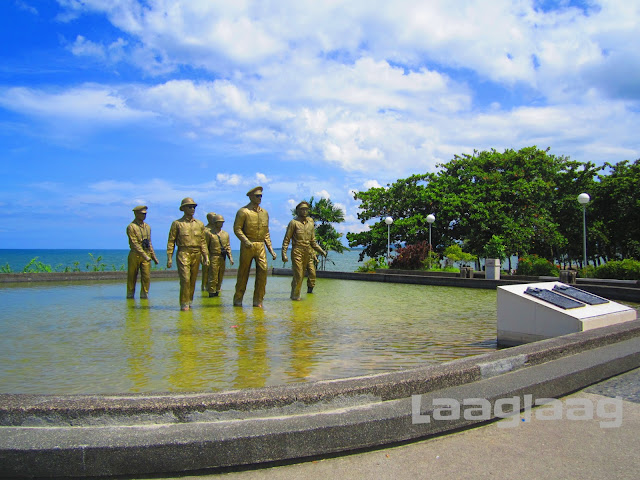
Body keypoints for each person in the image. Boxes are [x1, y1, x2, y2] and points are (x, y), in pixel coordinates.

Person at [233, 186, 277, 307]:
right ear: (251, 197)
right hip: (248, 245)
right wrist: (245, 241)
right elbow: (237, 229)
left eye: (261, 196)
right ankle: (238, 300)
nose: (260, 198)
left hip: (260, 246)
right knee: (243, 273)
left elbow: (266, 233)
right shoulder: (243, 211)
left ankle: (258, 301)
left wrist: (271, 250)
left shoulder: (265, 213)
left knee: (263, 272)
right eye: (257, 196)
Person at [167, 197, 209, 311]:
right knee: (185, 279)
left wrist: (206, 256)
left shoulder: (200, 224)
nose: (192, 209)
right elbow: (171, 241)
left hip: (196, 253)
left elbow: (203, 241)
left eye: (194, 207)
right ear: (183, 208)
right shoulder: (177, 224)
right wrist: (169, 257)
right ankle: (184, 303)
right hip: (183, 252)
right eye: (190, 207)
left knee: (193, 280)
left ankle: (189, 301)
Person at [282, 201, 327, 300]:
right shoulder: (293, 223)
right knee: (299, 275)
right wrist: (284, 253)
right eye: (302, 209)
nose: (304, 211)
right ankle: (295, 297)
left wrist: (321, 251)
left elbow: (313, 241)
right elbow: (287, 239)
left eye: (306, 209)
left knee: (312, 273)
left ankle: (303, 293)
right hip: (297, 250)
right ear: (297, 211)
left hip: (308, 251)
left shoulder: (311, 223)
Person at [126, 205, 159, 299]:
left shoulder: (147, 227)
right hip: (135, 255)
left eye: (145, 214)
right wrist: (145, 255)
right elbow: (134, 244)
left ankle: (144, 296)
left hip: (146, 254)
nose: (144, 216)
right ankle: (130, 296)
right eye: (142, 214)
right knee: (132, 277)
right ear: (136, 214)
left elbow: (149, 243)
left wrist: (154, 257)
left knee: (146, 277)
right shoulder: (131, 227)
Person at [205, 214, 234, 297]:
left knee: (220, 275)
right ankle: (211, 291)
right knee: (213, 275)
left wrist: (230, 258)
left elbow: (228, 246)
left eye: (222, 222)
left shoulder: (225, 234)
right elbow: (205, 247)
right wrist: (206, 257)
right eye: (219, 222)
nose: (221, 224)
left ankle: (217, 290)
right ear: (215, 223)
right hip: (213, 256)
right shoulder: (209, 234)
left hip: (222, 257)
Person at [201, 212, 217, 292]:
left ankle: (214, 286)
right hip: (206, 253)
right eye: (212, 218)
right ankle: (204, 286)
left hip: (215, 254)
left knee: (215, 271)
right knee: (205, 271)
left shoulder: (217, 230)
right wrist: (202, 256)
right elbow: (202, 243)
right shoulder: (204, 229)